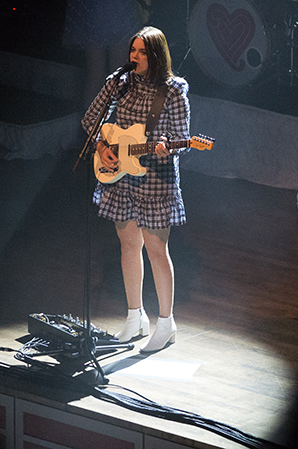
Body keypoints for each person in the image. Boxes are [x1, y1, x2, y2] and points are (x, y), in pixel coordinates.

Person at [81, 26, 188, 352]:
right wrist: (101, 147)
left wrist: (164, 148)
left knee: (156, 250)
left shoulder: (172, 93)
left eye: (142, 52)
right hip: (121, 177)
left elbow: (181, 140)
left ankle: (166, 323)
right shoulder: (120, 82)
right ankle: (134, 316)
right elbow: (90, 120)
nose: (135, 57)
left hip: (156, 181)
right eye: (133, 50)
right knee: (128, 246)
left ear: (156, 55)